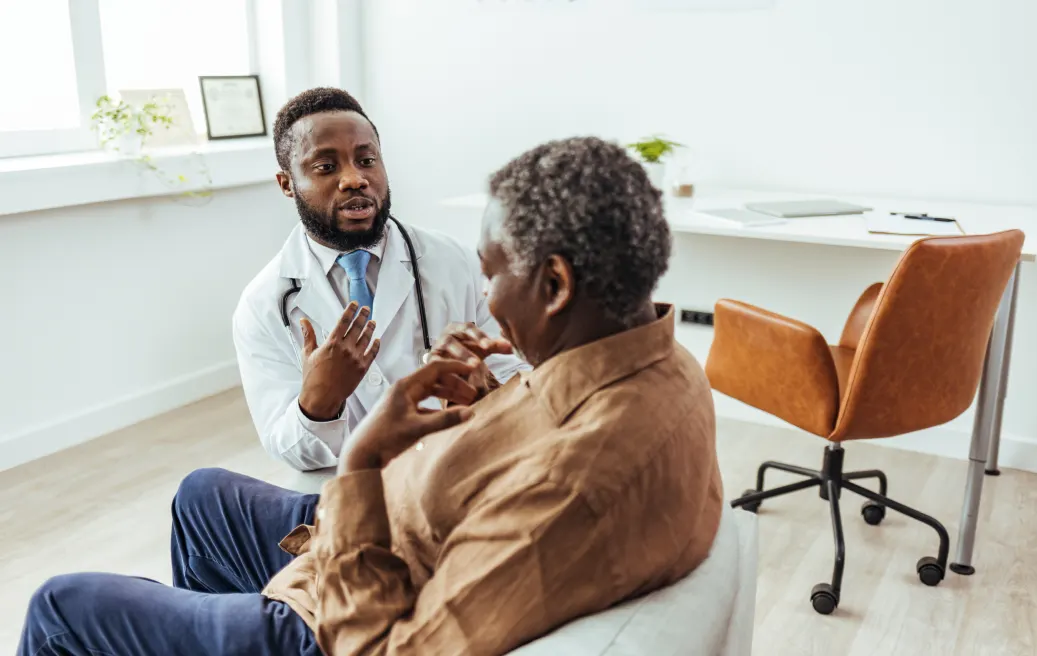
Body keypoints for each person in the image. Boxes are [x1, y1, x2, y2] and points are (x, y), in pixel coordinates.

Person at [18, 136, 723, 656]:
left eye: (492, 275)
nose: (483, 297)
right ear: (287, 183)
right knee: (202, 495)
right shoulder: (655, 357)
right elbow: (520, 440)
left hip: (346, 611)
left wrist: (361, 463)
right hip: (395, 531)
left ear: (556, 285)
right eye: (325, 165)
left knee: (61, 605)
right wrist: (474, 402)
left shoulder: (572, 488)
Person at [233, 87, 527, 471]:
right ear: (287, 183)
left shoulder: (454, 261)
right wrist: (319, 402)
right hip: (351, 492)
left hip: (457, 473)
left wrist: (484, 388)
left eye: (367, 160)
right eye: (326, 167)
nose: (355, 179)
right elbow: (288, 449)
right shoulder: (263, 304)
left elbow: (522, 386)